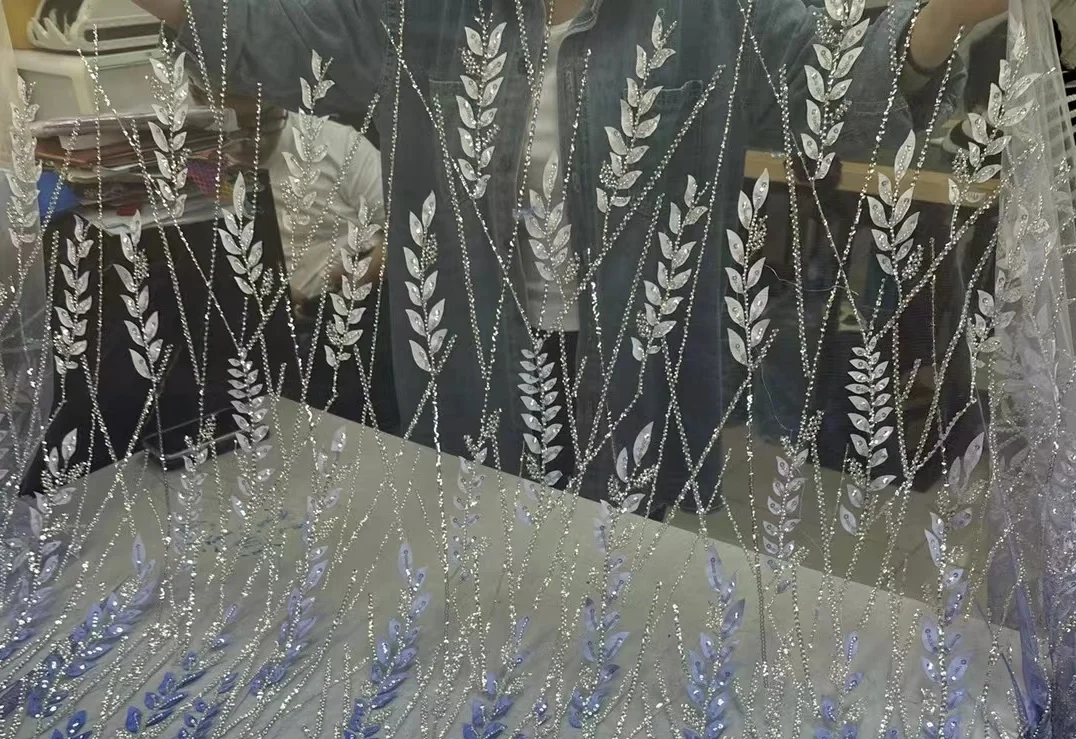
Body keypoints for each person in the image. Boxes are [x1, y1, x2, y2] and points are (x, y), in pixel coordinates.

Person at [135, 0, 1006, 513]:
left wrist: (943, 20)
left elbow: (837, 90)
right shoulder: (424, 14)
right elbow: (265, 37)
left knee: (629, 591)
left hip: (638, 371)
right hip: (472, 366)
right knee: (488, 577)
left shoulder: (709, 14)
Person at [268, 115, 399, 428]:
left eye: (259, 125)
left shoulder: (336, 144)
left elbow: (410, 230)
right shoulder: (203, 162)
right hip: (270, 328)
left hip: (353, 306)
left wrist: (364, 272)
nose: (250, 140)